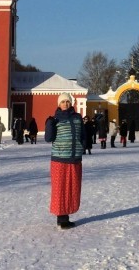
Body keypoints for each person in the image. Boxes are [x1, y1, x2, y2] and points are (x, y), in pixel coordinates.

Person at [45, 93, 85, 229]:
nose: (65, 104)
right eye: (63, 102)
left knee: (72, 188)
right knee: (60, 188)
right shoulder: (55, 119)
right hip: (60, 159)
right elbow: (48, 138)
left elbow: (83, 135)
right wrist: (49, 124)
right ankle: (62, 219)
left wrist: (83, 145)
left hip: (74, 158)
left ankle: (65, 216)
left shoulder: (77, 118)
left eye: (68, 101)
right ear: (58, 104)